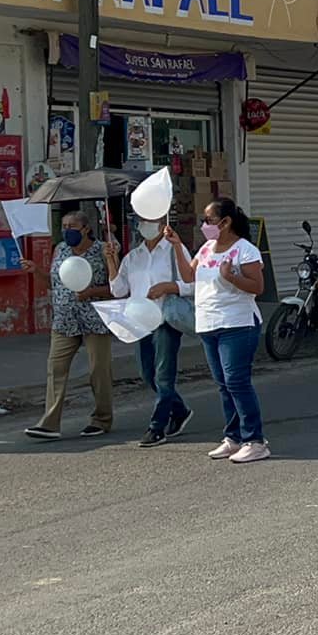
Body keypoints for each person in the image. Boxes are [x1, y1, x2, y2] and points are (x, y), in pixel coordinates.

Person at [174, 198, 269, 464]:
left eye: (209, 220)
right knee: (223, 384)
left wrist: (231, 277)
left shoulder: (245, 250)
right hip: (208, 323)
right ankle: (233, 438)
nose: (205, 225)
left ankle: (255, 440)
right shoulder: (205, 249)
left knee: (237, 381)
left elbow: (257, 286)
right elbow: (188, 276)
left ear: (225, 222)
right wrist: (176, 248)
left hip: (237, 323)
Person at [24, 211, 116, 440]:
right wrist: (36, 271)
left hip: (95, 318)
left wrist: (91, 292)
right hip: (64, 320)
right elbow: (54, 283)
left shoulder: (103, 250)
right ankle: (50, 423)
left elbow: (117, 287)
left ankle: (101, 419)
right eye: (64, 226)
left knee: (98, 371)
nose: (67, 230)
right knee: (55, 369)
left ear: (85, 228)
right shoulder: (61, 250)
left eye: (72, 226)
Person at [111, 210, 193, 448]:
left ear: (162, 222)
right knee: (147, 373)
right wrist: (111, 260)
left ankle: (157, 426)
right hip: (141, 321)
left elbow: (192, 283)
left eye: (151, 220)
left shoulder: (173, 250)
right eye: (141, 220)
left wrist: (169, 286)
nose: (145, 224)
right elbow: (118, 290)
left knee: (163, 375)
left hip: (166, 318)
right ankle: (179, 410)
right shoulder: (133, 256)